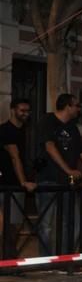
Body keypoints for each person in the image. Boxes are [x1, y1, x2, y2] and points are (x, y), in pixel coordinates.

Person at [35, 93, 82, 256]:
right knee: (46, 225)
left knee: (73, 223)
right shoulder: (47, 121)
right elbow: (50, 147)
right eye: (76, 105)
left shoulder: (72, 127)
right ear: (68, 106)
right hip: (48, 180)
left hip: (68, 184)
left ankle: (65, 259)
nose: (79, 109)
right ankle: (46, 261)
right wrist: (68, 169)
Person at [0, 98, 35, 258]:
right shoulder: (6, 130)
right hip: (7, 184)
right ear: (13, 110)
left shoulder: (25, 131)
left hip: (15, 185)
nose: (25, 114)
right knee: (9, 224)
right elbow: (15, 157)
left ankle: (9, 259)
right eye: (22, 110)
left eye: (28, 111)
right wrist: (23, 182)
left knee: (14, 224)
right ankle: (9, 259)